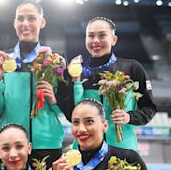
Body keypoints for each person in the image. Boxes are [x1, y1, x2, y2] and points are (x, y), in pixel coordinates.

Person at [0, 0, 68, 169]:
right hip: (12, 146)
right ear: (14, 23)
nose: (25, 24)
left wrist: (54, 100)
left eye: (31, 18)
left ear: (42, 22)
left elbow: (66, 110)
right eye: (20, 18)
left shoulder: (55, 60)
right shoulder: (2, 59)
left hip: (47, 143)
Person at [67, 16, 157, 150]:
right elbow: (70, 113)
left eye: (102, 35)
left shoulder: (132, 68)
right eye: (91, 36)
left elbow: (149, 108)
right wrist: (75, 82)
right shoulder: (77, 71)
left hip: (122, 149)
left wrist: (129, 117)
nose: (95, 41)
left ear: (113, 39)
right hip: (85, 151)